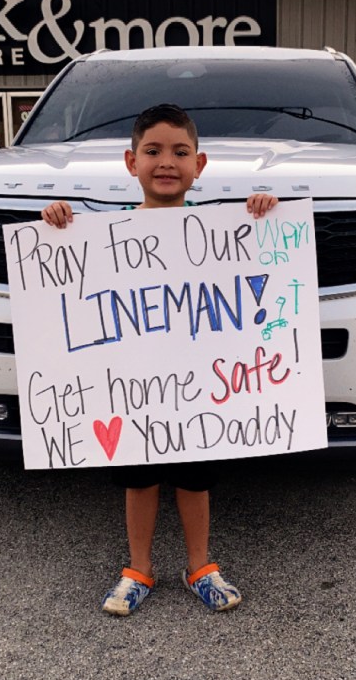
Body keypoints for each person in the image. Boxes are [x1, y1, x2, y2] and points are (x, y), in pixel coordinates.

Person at [42, 103, 278, 616]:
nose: (166, 162)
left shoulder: (225, 233)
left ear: (200, 164)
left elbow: (256, 280)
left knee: (195, 479)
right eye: (152, 151)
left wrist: (263, 212)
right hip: (135, 390)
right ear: (131, 163)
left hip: (197, 389)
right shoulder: (104, 235)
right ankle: (138, 568)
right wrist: (57, 221)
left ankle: (200, 567)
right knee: (139, 478)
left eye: (180, 151)